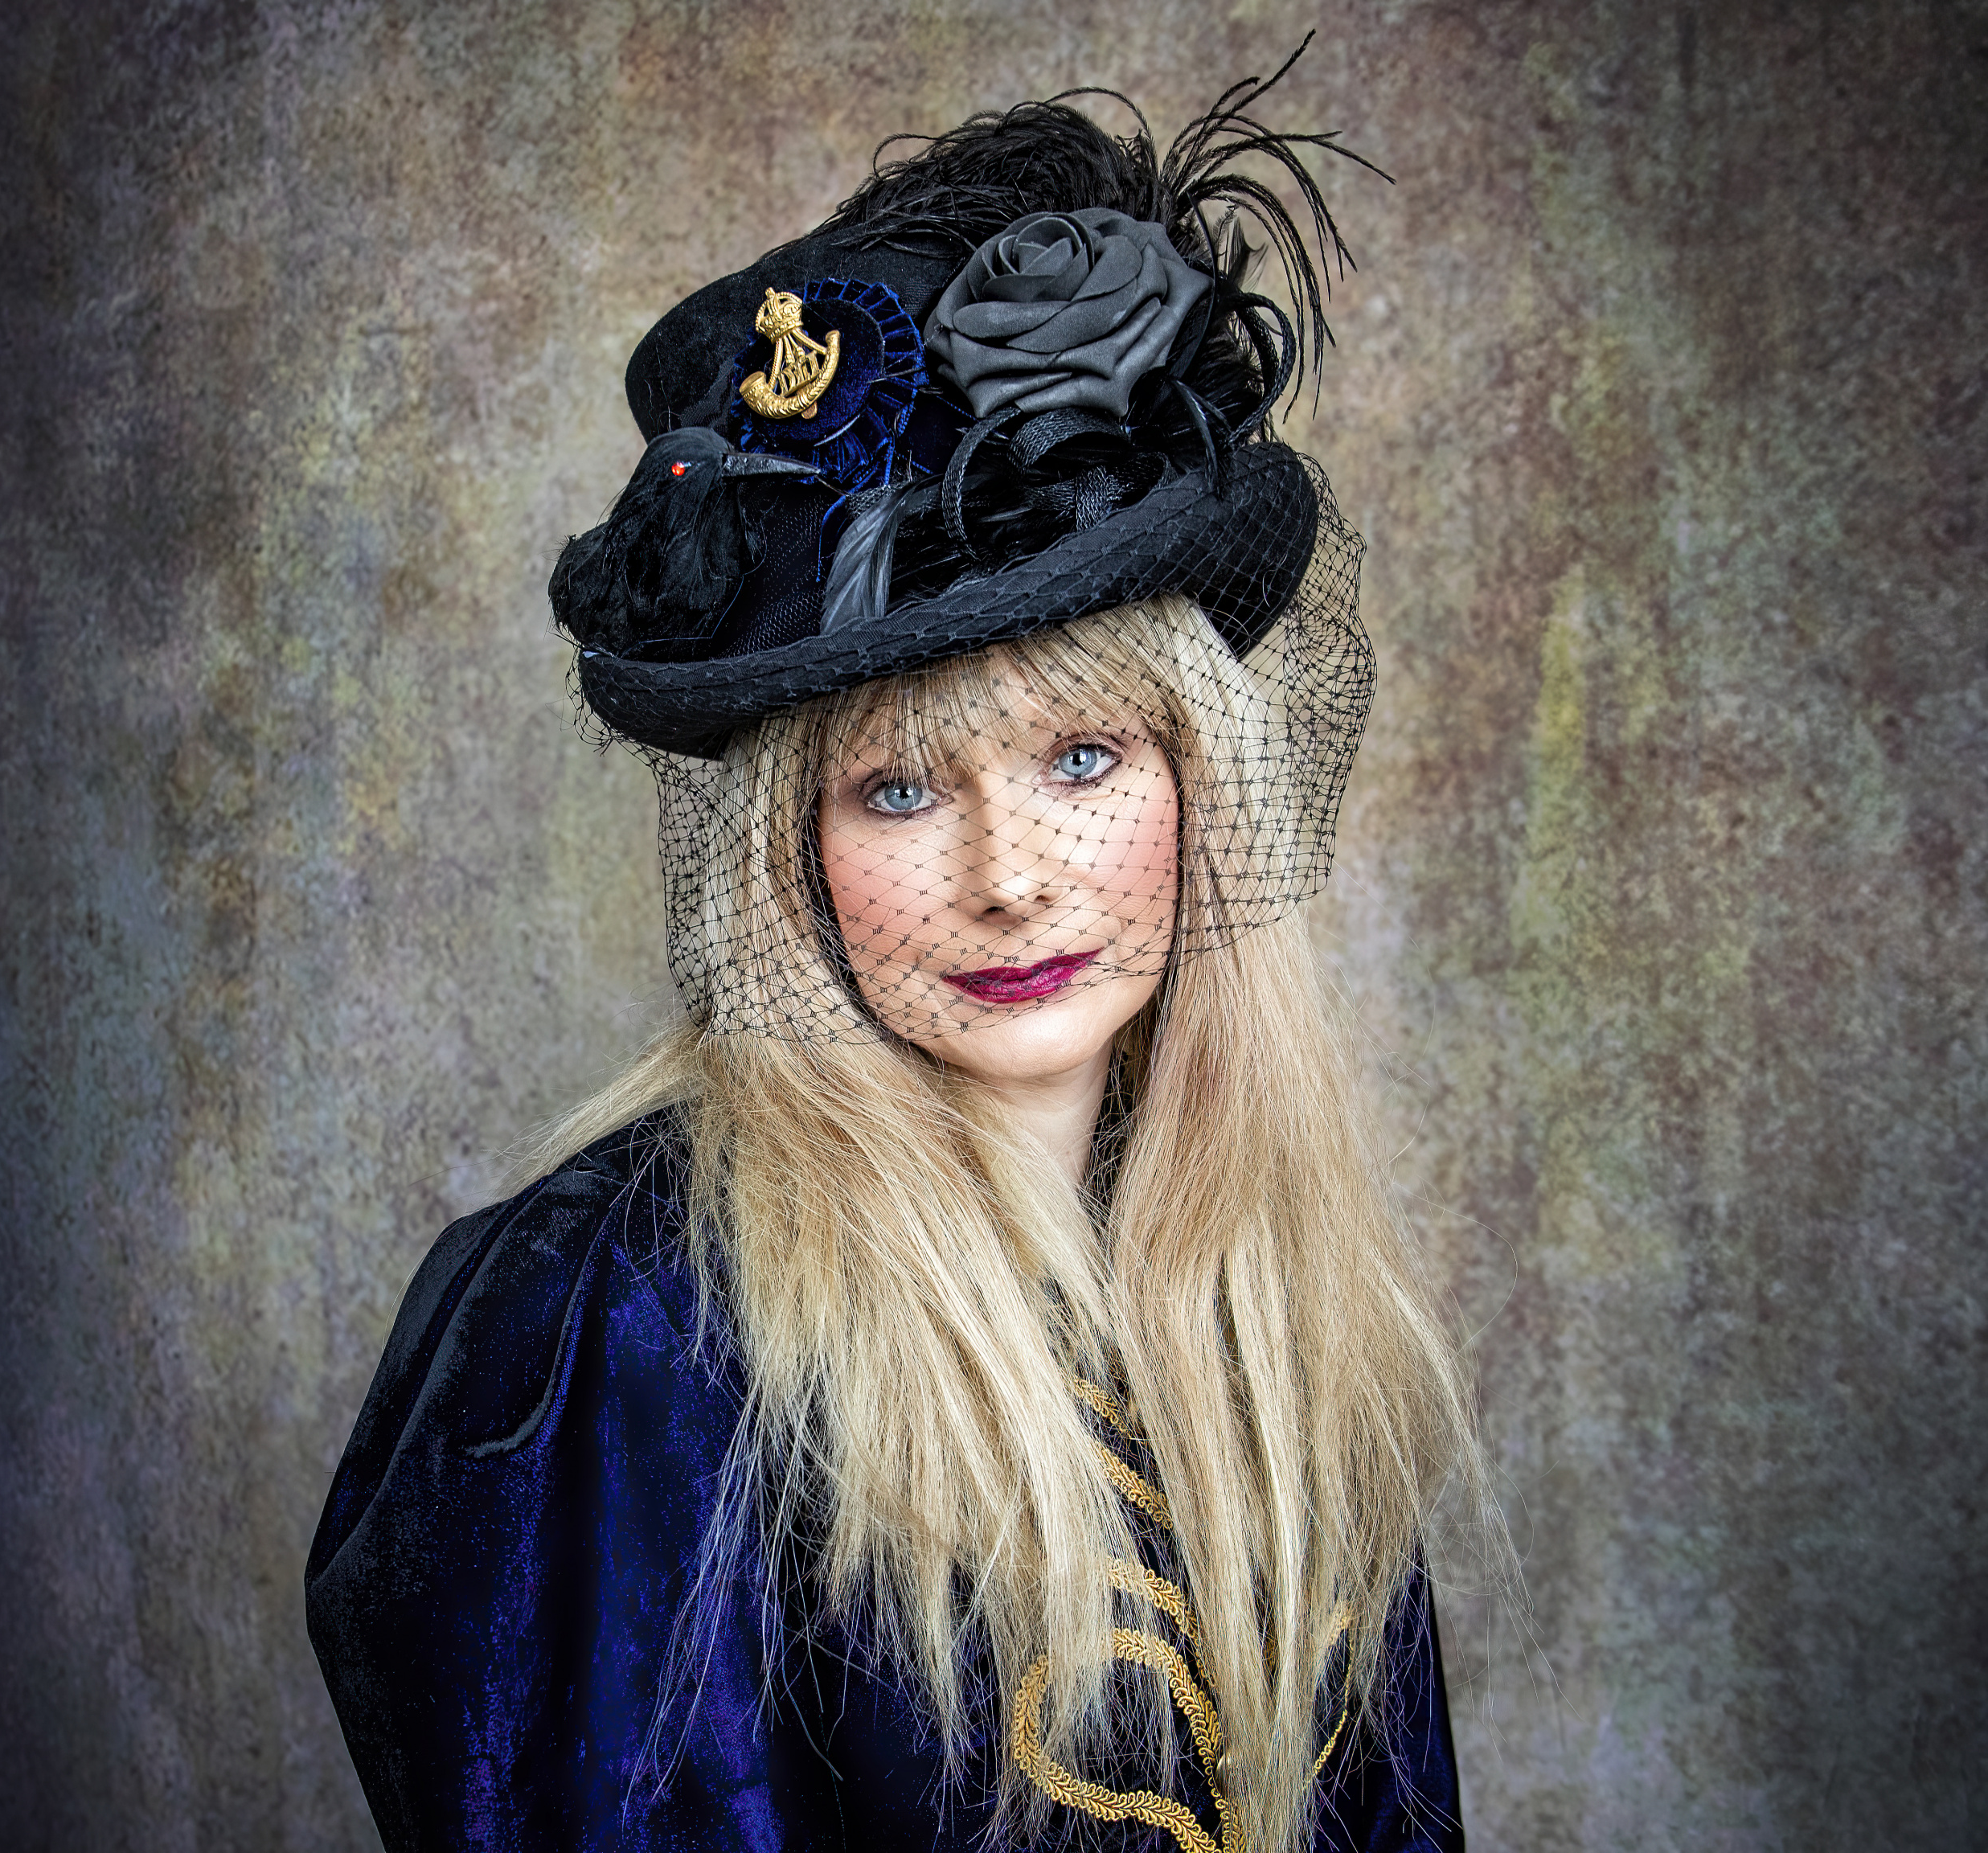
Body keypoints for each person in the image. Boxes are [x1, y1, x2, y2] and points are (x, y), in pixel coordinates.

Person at [308, 46, 1492, 1853]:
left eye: (1082, 758)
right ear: (788, 845)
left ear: (1199, 777)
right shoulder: (624, 1321)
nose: (1010, 879)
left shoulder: (1256, 1289)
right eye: (898, 789)